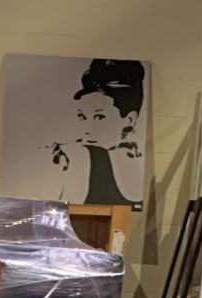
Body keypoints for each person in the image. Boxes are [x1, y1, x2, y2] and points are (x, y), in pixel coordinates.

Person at [50, 59, 145, 207]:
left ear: (129, 120)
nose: (87, 130)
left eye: (100, 117)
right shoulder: (76, 155)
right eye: (82, 116)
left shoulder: (81, 156)